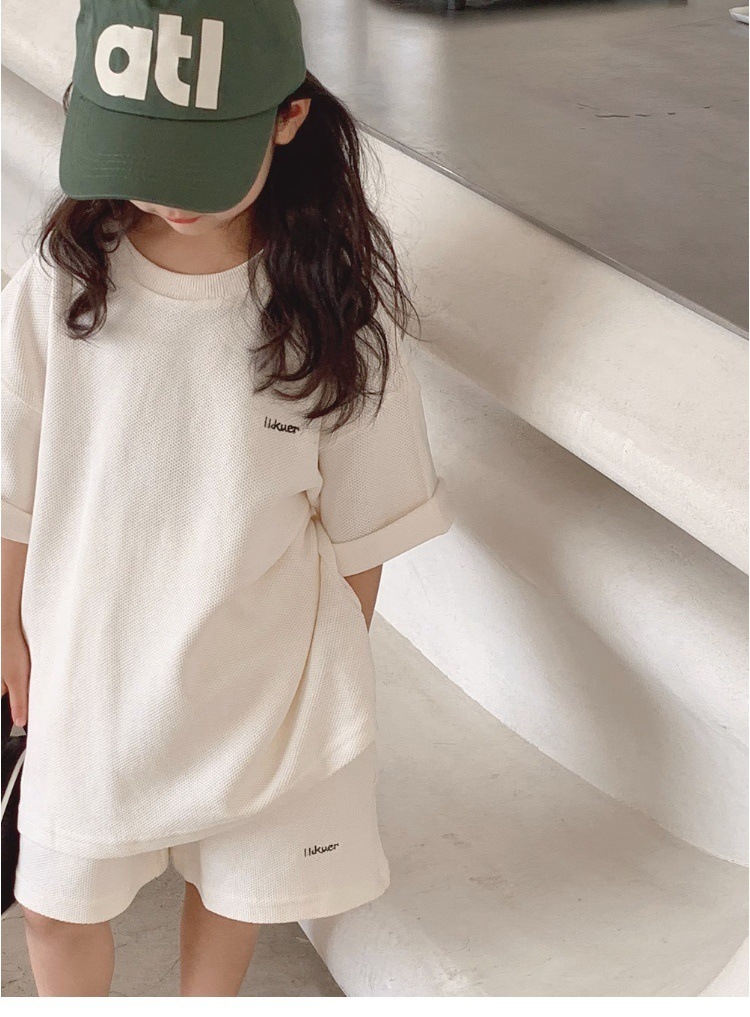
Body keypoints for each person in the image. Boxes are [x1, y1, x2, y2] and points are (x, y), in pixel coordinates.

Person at [0, 0, 455, 997]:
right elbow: (9, 480)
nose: (170, 193)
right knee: (56, 902)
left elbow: (365, 529)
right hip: (90, 668)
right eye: (143, 154)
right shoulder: (60, 285)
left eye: (198, 160)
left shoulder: (336, 319)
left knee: (240, 886)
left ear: (288, 119)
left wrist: (326, 662)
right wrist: (7, 626)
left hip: (263, 680)